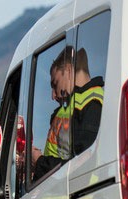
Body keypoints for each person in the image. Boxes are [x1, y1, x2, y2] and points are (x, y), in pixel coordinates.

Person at [32, 45, 104, 180]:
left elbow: (82, 165)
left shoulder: (92, 104)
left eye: (55, 84)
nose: (53, 95)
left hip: (80, 197)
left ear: (69, 70)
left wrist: (39, 162)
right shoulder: (72, 107)